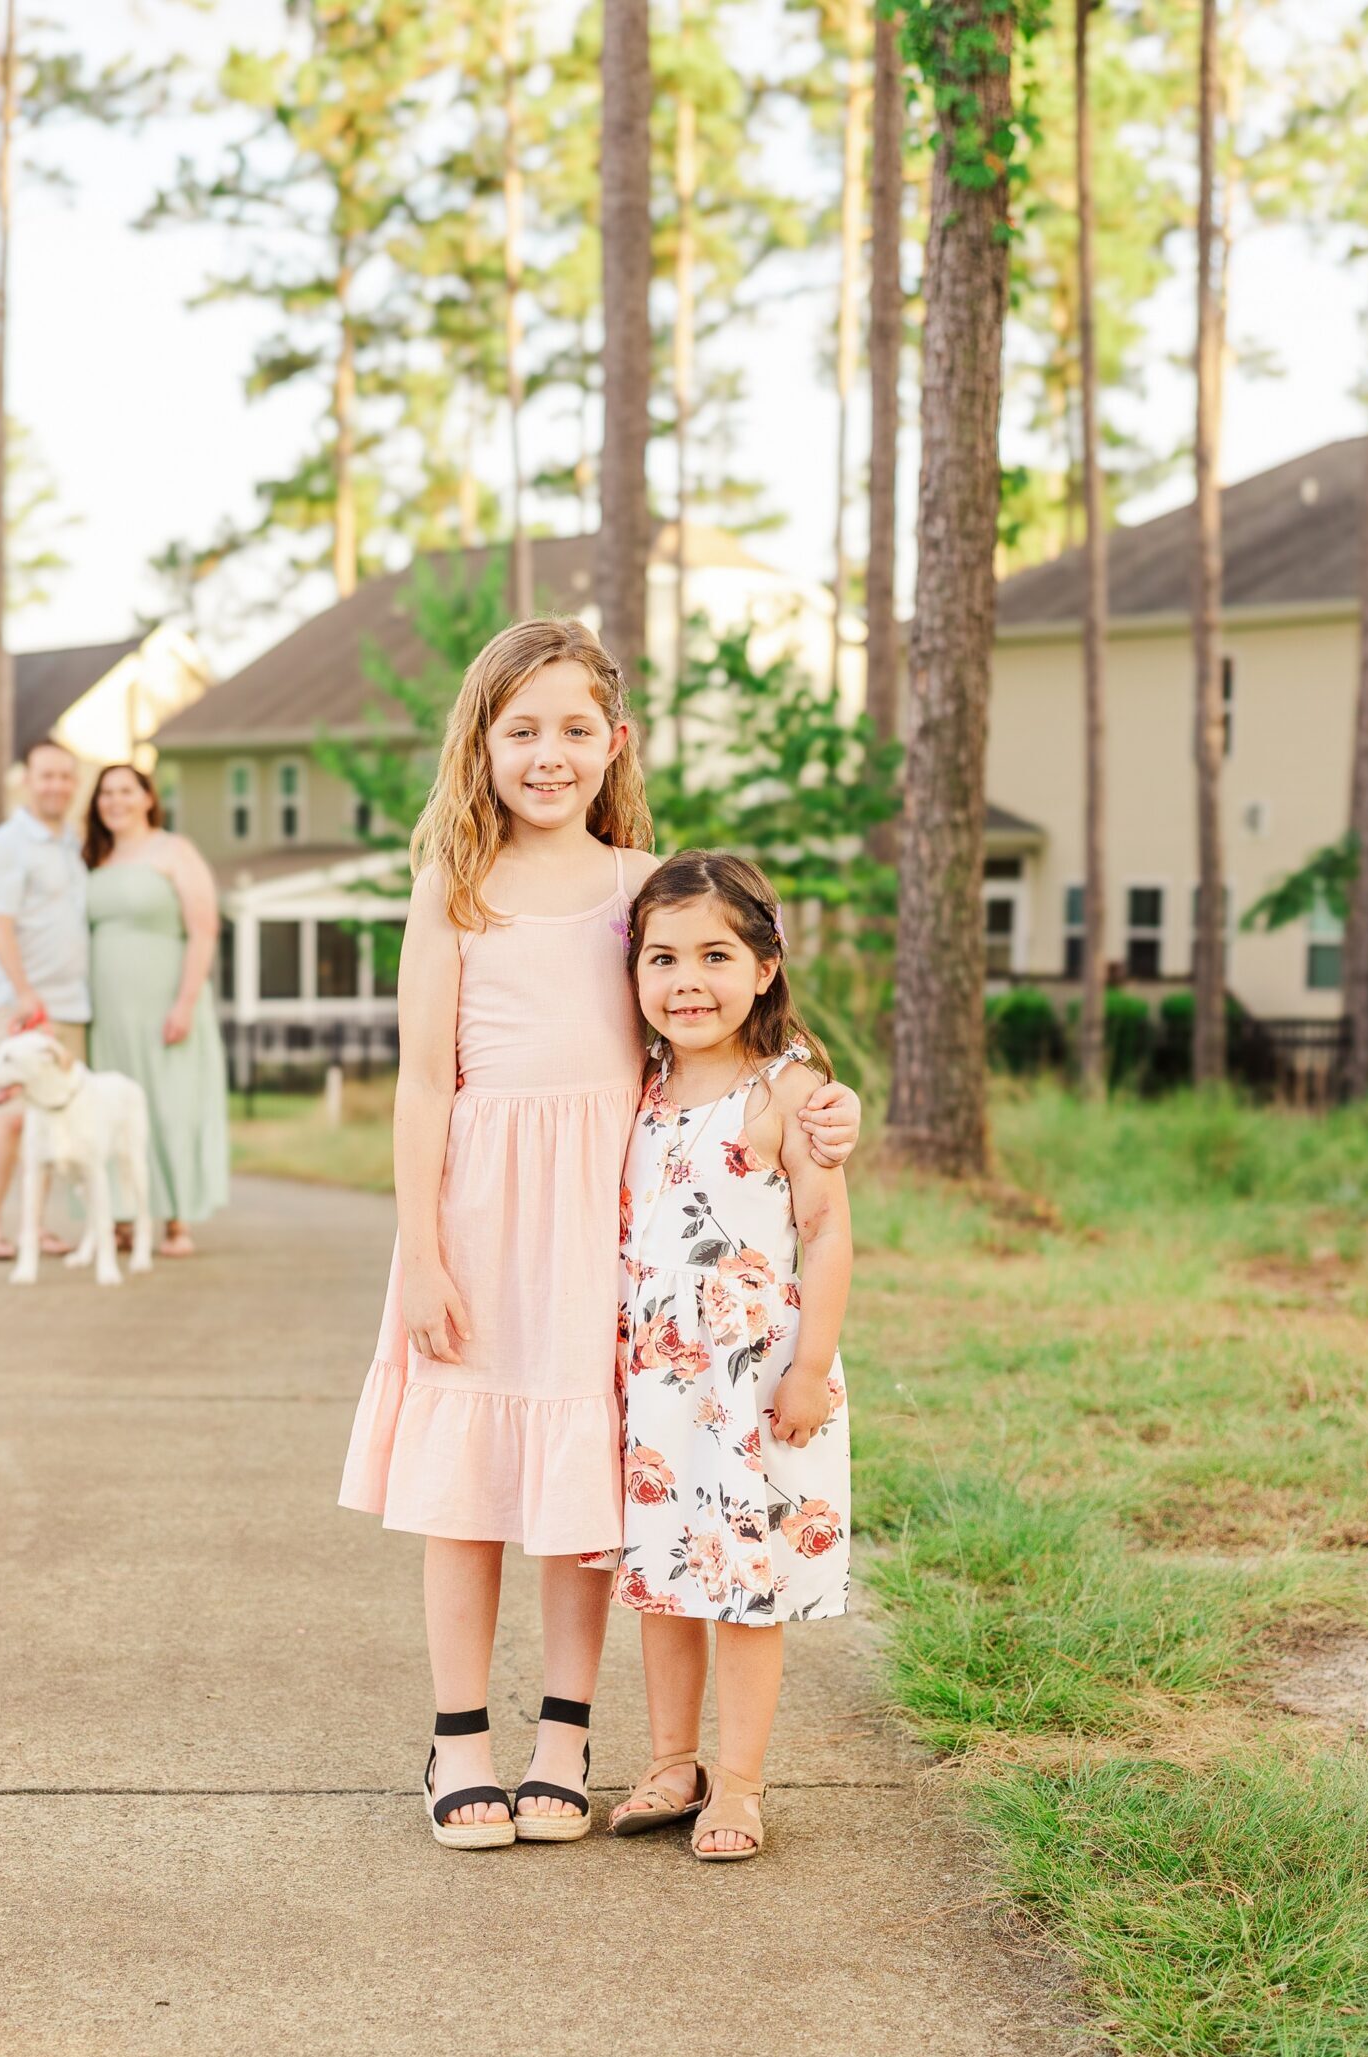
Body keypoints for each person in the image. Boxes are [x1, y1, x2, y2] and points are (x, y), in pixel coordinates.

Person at [337, 616, 862, 1852]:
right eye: (522, 729)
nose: (549, 753)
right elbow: (424, 1080)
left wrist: (828, 1102)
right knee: (464, 1484)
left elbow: (727, 1027)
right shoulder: (450, 889)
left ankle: (561, 1734)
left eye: (576, 728)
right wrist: (421, 1246)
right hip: (476, 1212)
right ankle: (458, 1733)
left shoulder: (641, 885)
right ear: (482, 742)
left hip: (607, 1218)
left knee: (584, 1474)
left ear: (614, 741)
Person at [602, 851, 852, 1861]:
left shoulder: (786, 1091)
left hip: (753, 1379)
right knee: (665, 1572)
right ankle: (672, 1760)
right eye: (662, 957)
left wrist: (811, 1365)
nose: (686, 979)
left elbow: (828, 1228)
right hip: (660, 1380)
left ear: (765, 964)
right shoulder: (643, 1081)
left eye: (715, 953)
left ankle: (740, 1781)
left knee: (745, 1583)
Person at [83, 763, 228, 1257]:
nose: (114, 801)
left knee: (170, 1105)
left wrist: (185, 1002)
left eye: (126, 790)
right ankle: (122, 1216)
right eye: (106, 793)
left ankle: (178, 1220)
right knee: (111, 1112)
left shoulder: (174, 852)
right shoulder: (93, 858)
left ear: (147, 798)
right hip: (108, 1012)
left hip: (164, 1001)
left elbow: (204, 927)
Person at [0, 737, 91, 1261]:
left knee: (51, 1120)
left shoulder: (72, 844)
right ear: (26, 780)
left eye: (65, 776)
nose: (56, 786)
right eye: (46, 776)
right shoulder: (6, 844)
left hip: (70, 1005)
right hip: (17, 1001)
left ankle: (34, 1229)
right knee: (13, 1114)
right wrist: (23, 992)